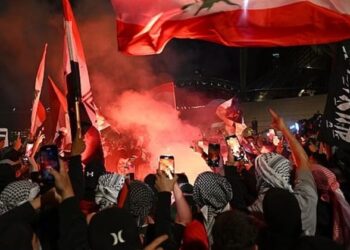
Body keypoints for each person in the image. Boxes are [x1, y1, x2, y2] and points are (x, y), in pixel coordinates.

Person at [249, 109, 318, 236]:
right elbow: (303, 161)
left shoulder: (254, 213)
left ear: (260, 177)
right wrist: (284, 128)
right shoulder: (306, 198)